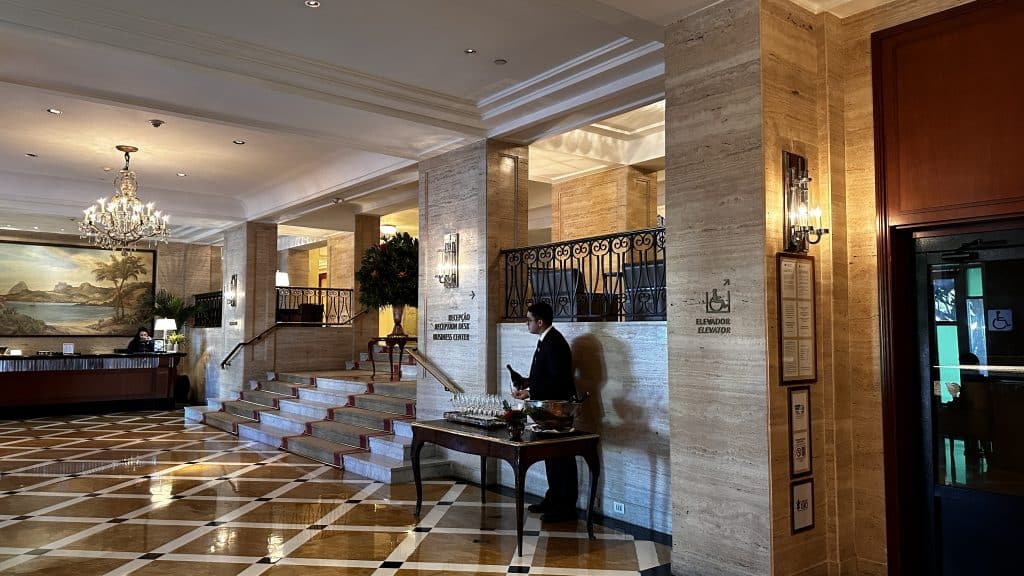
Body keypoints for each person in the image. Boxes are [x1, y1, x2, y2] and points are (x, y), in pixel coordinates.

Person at [511, 301, 578, 522]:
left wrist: (530, 392)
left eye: (529, 320)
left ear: (540, 322)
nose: (526, 323)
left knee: (561, 457)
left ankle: (565, 505)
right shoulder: (546, 340)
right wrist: (527, 384)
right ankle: (553, 497)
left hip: (557, 411)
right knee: (551, 456)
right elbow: (545, 375)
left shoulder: (554, 342)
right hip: (548, 411)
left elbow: (558, 380)